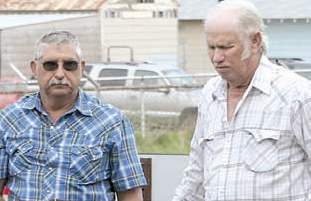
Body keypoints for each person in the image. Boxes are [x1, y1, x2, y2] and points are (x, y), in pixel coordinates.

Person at [173, 1, 311, 200]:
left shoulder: (296, 95)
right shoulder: (210, 95)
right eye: (211, 47)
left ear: (255, 41)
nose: (216, 57)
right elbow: (196, 176)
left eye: (226, 47)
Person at [0, 30, 147, 201]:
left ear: (82, 68)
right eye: (50, 65)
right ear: (34, 68)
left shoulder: (112, 122)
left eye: (70, 65)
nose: (60, 74)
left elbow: (130, 195)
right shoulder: (9, 120)